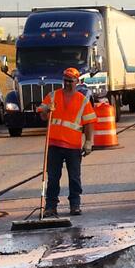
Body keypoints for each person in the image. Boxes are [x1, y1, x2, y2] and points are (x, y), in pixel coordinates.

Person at [36, 67, 94, 217]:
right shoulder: (53, 96)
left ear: (77, 81)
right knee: (53, 178)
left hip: (73, 146)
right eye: (65, 81)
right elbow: (42, 116)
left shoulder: (82, 100)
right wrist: (46, 110)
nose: (67, 84)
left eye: (70, 81)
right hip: (54, 144)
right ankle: (50, 206)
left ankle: (75, 205)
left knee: (74, 178)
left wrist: (88, 141)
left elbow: (88, 123)